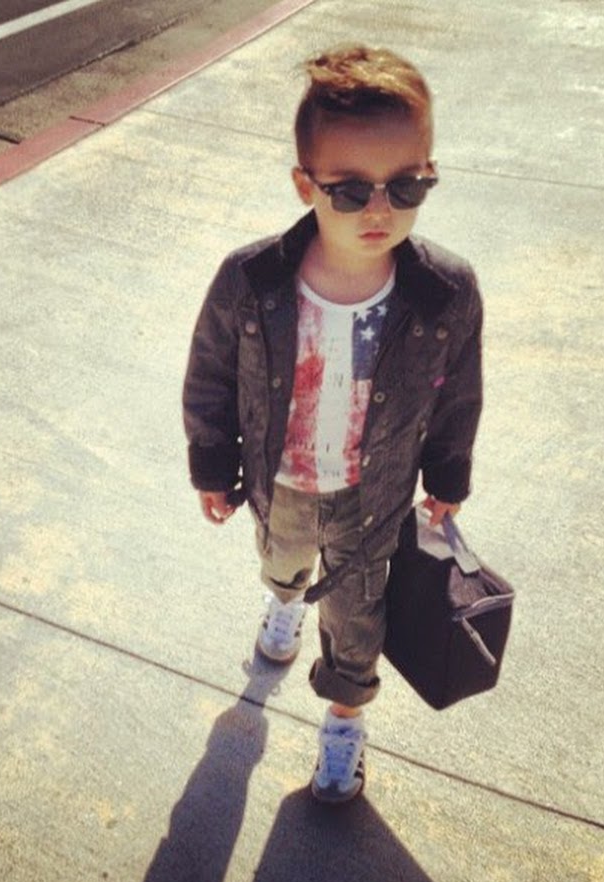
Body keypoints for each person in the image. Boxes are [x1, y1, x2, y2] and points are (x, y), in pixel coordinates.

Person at [182, 45, 483, 803]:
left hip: (372, 498)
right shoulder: (251, 279)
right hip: (281, 482)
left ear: (429, 172)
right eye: (350, 191)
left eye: (406, 185)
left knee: (358, 621)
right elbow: (211, 373)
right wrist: (212, 463)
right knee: (283, 563)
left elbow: (459, 390)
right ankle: (285, 601)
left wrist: (449, 474)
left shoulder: (445, 292)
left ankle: (345, 720)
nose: (380, 210)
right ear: (305, 185)